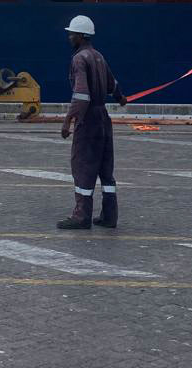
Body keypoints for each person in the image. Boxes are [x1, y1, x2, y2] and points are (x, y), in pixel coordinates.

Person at [58, 16, 126, 230]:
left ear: (81, 36)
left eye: (72, 34)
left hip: (88, 120)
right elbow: (112, 84)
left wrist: (68, 121)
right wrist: (121, 98)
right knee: (105, 168)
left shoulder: (79, 59)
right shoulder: (98, 56)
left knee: (83, 166)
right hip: (103, 118)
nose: (69, 37)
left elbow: (81, 95)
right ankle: (109, 216)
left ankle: (82, 216)